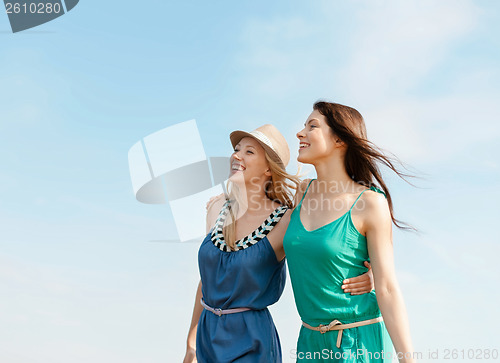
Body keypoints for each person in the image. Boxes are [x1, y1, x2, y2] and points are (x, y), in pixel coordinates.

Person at [183, 124, 375, 363]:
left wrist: (372, 274)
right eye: (237, 149)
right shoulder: (215, 208)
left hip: (250, 341)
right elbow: (207, 279)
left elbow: (321, 252)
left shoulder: (285, 219)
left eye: (249, 152)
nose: (237, 155)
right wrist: (191, 341)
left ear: (268, 168)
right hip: (207, 337)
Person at [283, 101, 416, 362]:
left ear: (340, 140)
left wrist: (407, 359)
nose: (300, 133)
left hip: (358, 341)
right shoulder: (301, 193)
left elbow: (387, 287)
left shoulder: (370, 203)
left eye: (312, 126)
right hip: (310, 341)